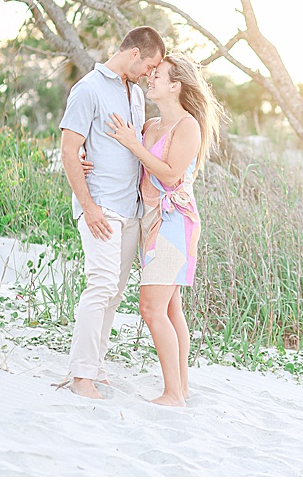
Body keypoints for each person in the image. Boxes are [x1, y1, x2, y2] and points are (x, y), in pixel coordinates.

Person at [105, 52, 224, 406]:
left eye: (158, 75)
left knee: (151, 307)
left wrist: (133, 143)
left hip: (174, 222)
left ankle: (173, 392)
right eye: (151, 73)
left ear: (176, 86)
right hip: (150, 221)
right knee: (171, 308)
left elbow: (170, 174)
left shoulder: (188, 126)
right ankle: (181, 389)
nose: (150, 77)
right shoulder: (151, 125)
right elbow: (133, 164)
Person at [58, 26, 165, 400]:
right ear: (135, 53)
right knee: (101, 285)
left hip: (131, 209)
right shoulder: (88, 88)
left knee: (114, 293)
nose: (150, 74)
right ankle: (80, 376)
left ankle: (95, 366)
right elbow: (70, 150)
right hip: (100, 207)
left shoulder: (135, 93)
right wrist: (88, 207)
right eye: (150, 65)